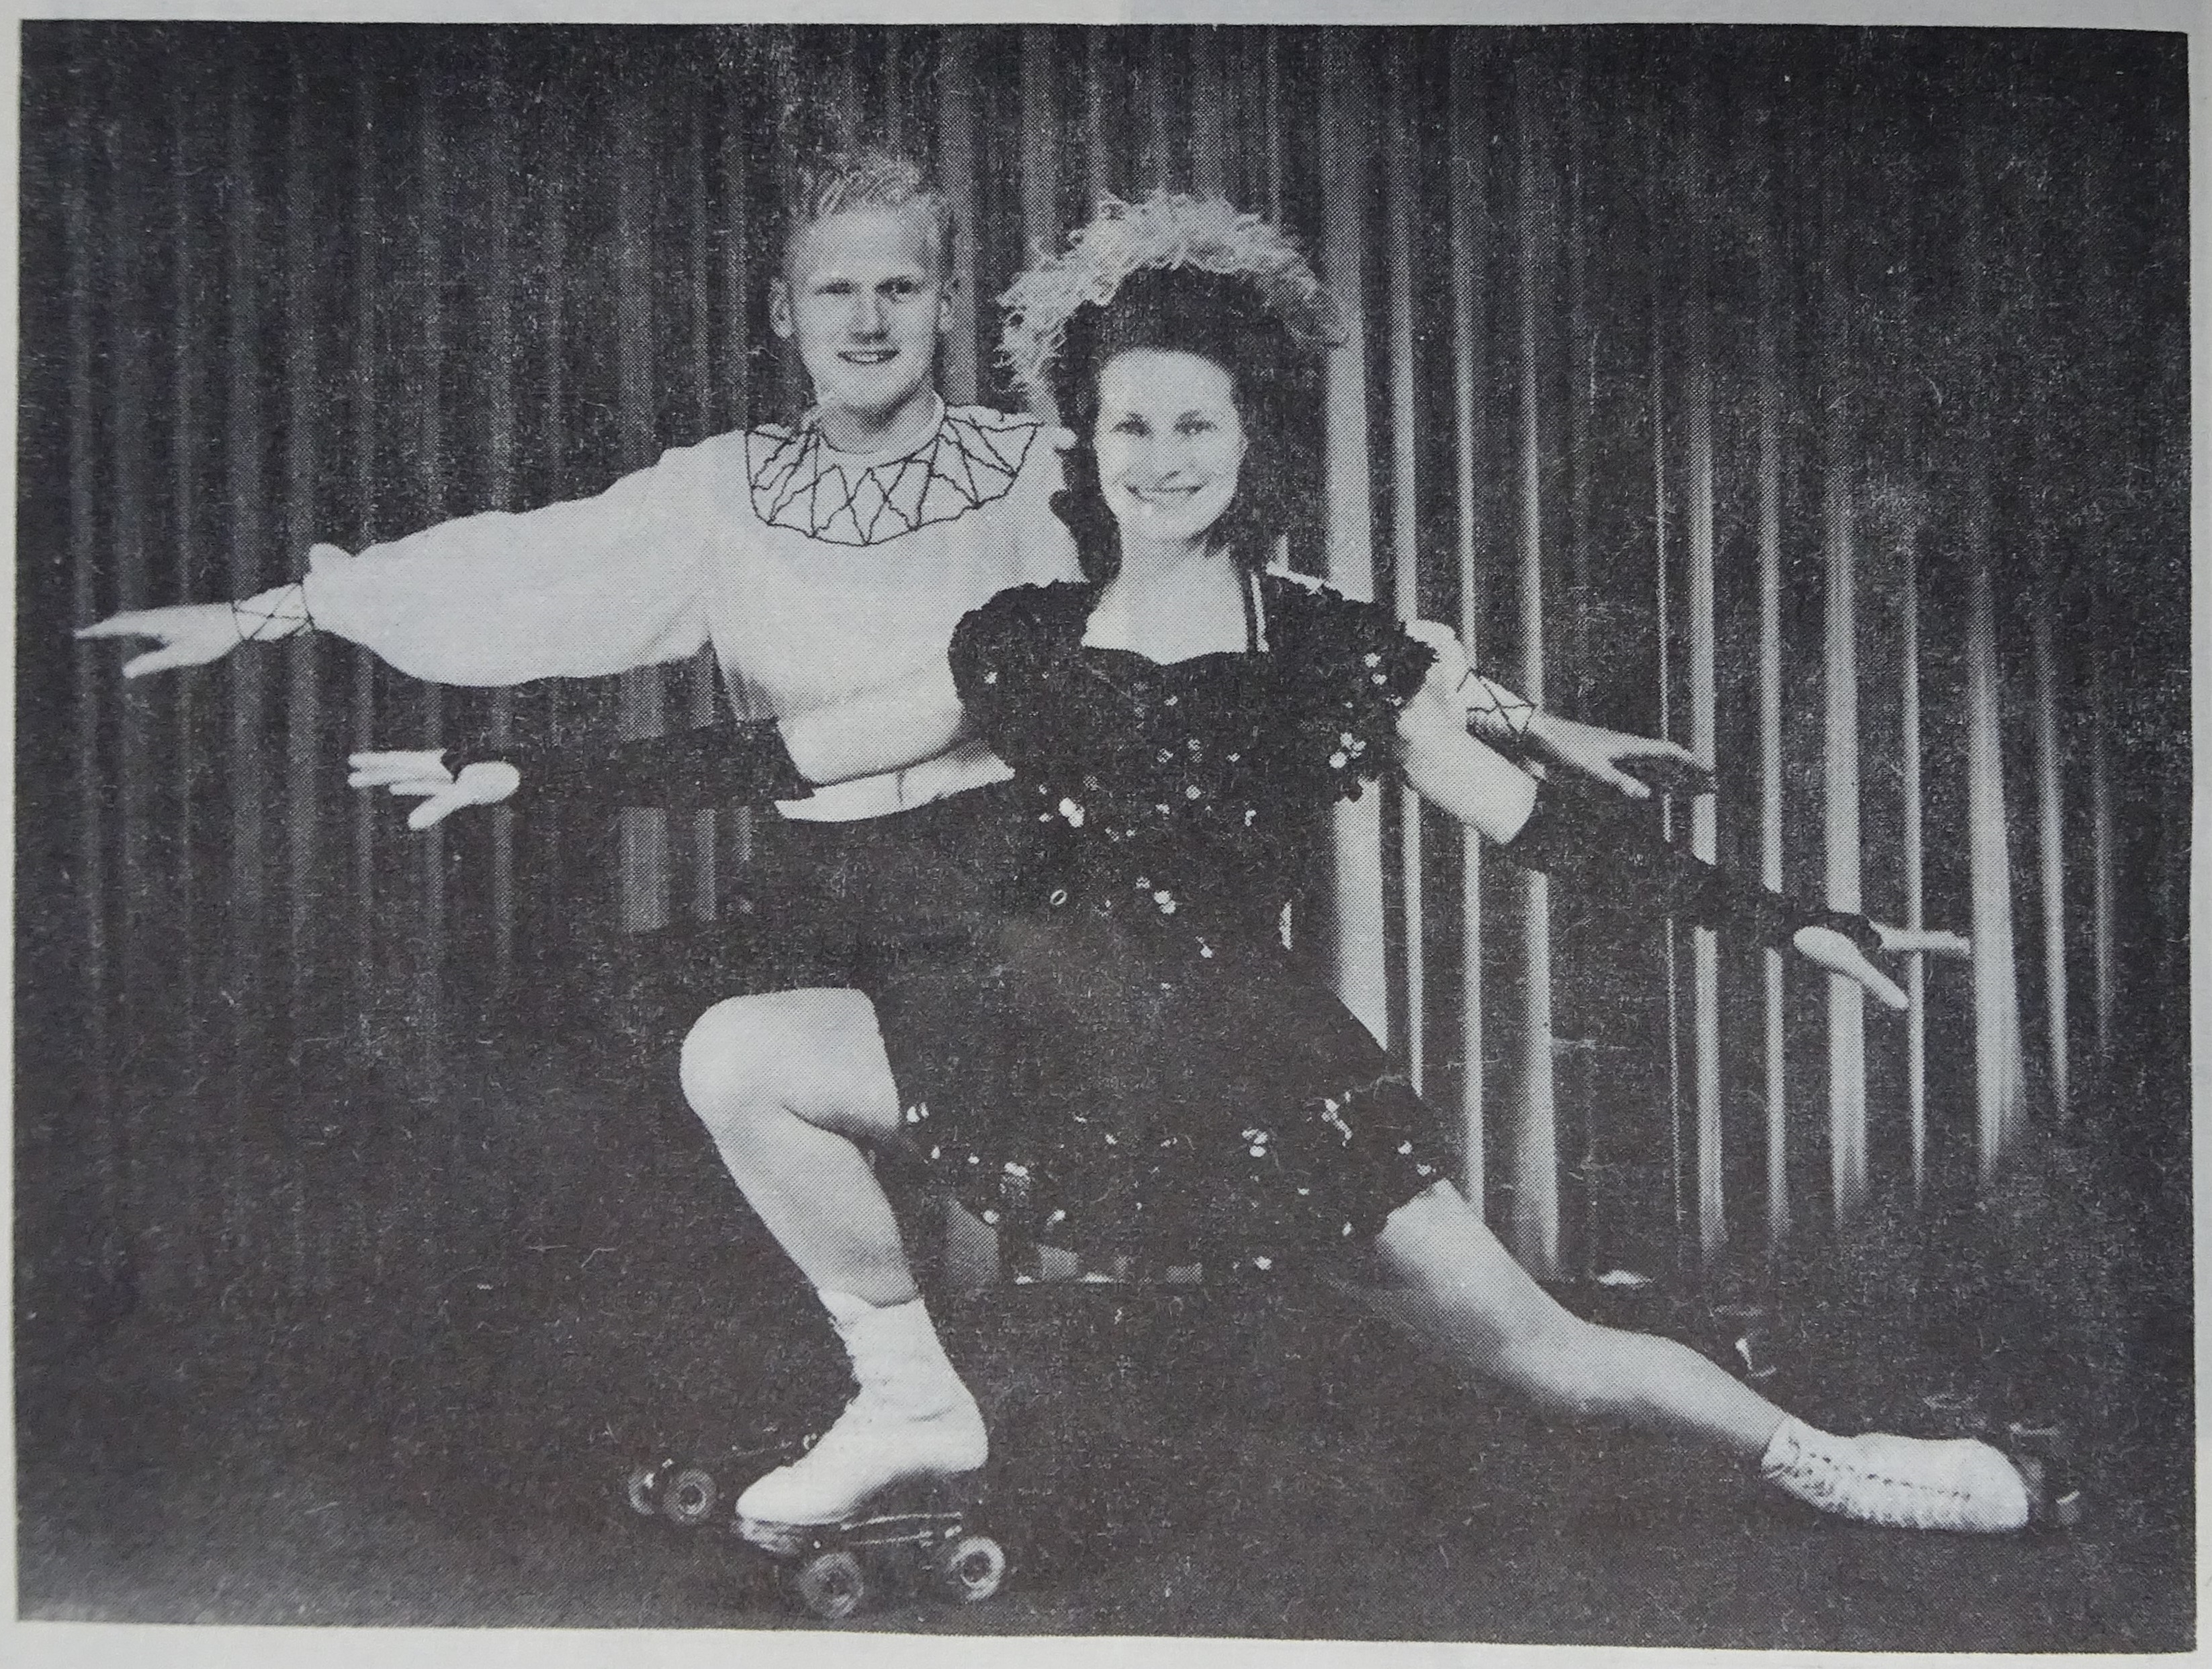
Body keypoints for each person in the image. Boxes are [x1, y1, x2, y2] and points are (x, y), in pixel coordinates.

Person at [690, 193, 2041, 1543]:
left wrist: (1787, 920)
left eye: (1196, 424)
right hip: (1047, 1041)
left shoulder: (1325, 648)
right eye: (1132, 426)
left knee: (1546, 1354)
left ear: (1251, 437)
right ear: (1087, 443)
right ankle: (909, 1397)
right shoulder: (1026, 637)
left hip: (1254, 1076)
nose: (1161, 460)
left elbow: (1537, 828)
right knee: (741, 1055)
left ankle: (1849, 1462)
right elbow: (801, 751)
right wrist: (537, 773)